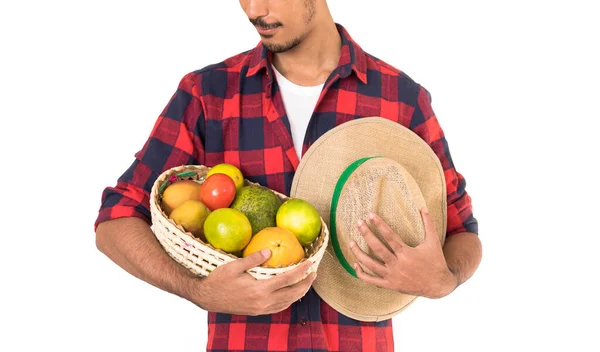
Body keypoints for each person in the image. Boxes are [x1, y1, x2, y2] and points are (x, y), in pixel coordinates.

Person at [94, 0, 483, 351]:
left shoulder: (400, 98)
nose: (254, 10)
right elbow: (116, 218)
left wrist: (444, 280)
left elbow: (462, 230)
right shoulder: (208, 95)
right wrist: (199, 291)